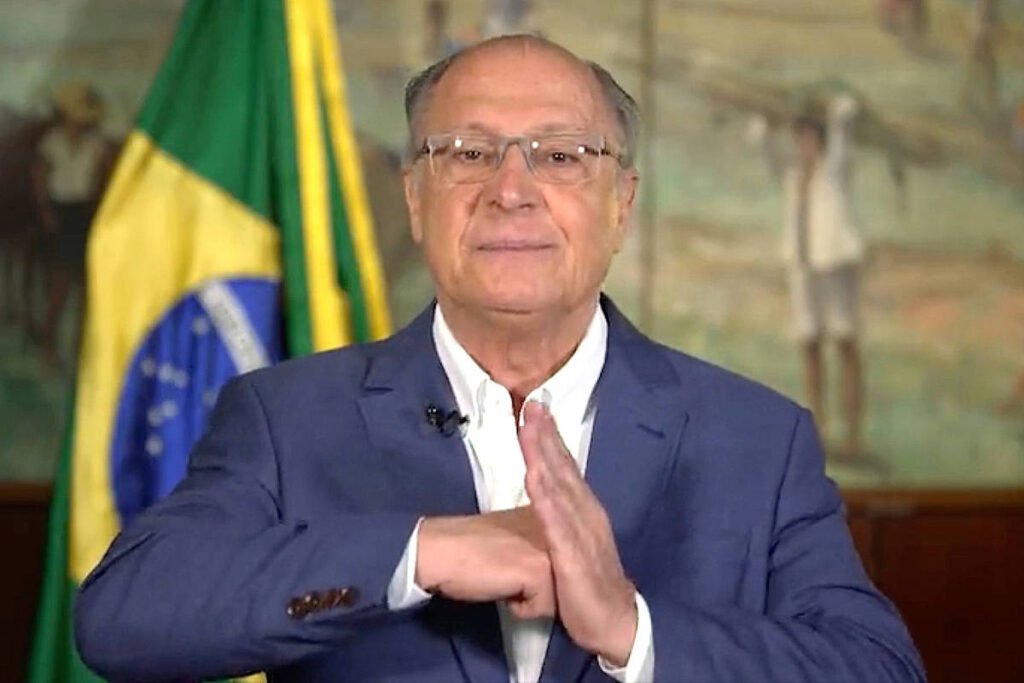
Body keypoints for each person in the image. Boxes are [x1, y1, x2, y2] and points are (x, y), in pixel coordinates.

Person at [74, 36, 923, 683]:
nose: (510, 189)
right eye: (468, 153)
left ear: (620, 205)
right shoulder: (285, 416)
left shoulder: (757, 437)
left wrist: (632, 629)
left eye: (562, 156)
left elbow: (877, 667)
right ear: (415, 199)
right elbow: (122, 616)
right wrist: (420, 553)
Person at [783, 94, 867, 460]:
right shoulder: (793, 176)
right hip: (803, 269)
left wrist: (839, 110)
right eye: (799, 139)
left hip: (833, 266)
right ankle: (819, 430)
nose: (804, 146)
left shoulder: (834, 168)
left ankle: (853, 434)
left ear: (821, 139)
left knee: (845, 344)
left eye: (810, 138)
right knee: (810, 347)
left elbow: (844, 123)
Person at [30, 82, 113, 368]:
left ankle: (80, 352)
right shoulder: (52, 142)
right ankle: (48, 345)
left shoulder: (96, 145)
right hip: (60, 212)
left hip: (83, 212)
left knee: (86, 289)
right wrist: (45, 212)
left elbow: (100, 181)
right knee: (60, 285)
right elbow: (40, 178)